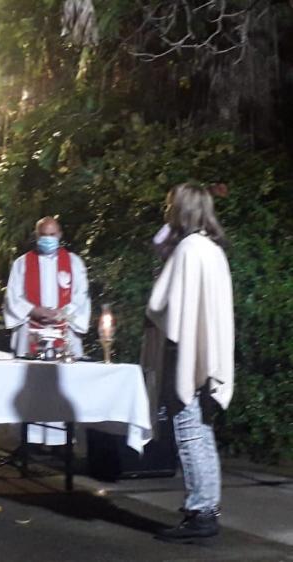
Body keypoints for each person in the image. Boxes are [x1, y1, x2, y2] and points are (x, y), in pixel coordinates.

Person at [147, 182, 234, 541]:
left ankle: (199, 513)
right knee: (202, 432)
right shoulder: (213, 249)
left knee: (188, 434)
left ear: (178, 210)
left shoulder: (186, 249)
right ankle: (207, 507)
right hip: (209, 354)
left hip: (184, 354)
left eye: (170, 205)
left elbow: (157, 304)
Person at [3, 216, 91, 445]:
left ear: (60, 235)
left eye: (52, 235)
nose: (48, 239)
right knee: (32, 386)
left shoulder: (74, 263)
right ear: (36, 236)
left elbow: (81, 295)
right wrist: (33, 310)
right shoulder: (22, 263)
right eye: (44, 235)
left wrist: (62, 312)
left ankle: (60, 440)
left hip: (64, 329)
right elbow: (12, 296)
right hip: (31, 328)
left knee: (61, 385)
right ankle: (30, 439)